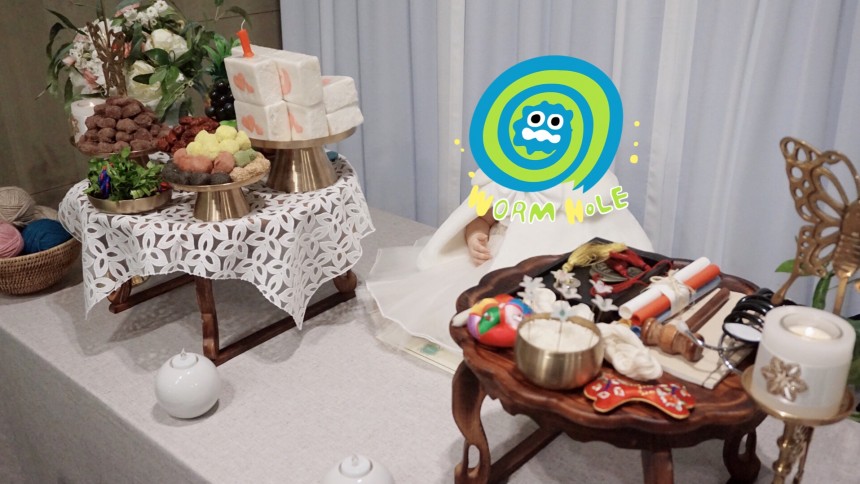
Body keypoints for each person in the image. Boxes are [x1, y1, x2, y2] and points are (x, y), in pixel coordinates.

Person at [365, 168, 653, 353]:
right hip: (503, 266)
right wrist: (475, 234)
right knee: (471, 307)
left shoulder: (590, 186)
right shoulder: (510, 180)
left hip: (564, 275)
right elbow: (482, 216)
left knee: (581, 323)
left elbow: (612, 235)